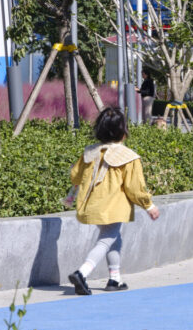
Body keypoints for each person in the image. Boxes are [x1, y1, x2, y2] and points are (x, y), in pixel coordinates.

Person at [63, 107, 159, 294]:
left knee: (114, 238)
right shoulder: (128, 157)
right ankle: (82, 272)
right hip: (113, 208)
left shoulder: (89, 152)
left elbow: (75, 176)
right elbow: (134, 188)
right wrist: (149, 205)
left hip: (91, 205)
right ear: (123, 132)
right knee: (107, 239)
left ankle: (114, 279)